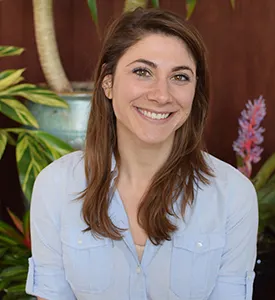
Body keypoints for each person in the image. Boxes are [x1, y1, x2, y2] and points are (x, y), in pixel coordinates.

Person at [25, 7, 258, 300]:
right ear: (107, 83)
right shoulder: (55, 187)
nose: (161, 95)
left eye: (180, 77)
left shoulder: (234, 195)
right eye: (142, 72)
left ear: (195, 90)